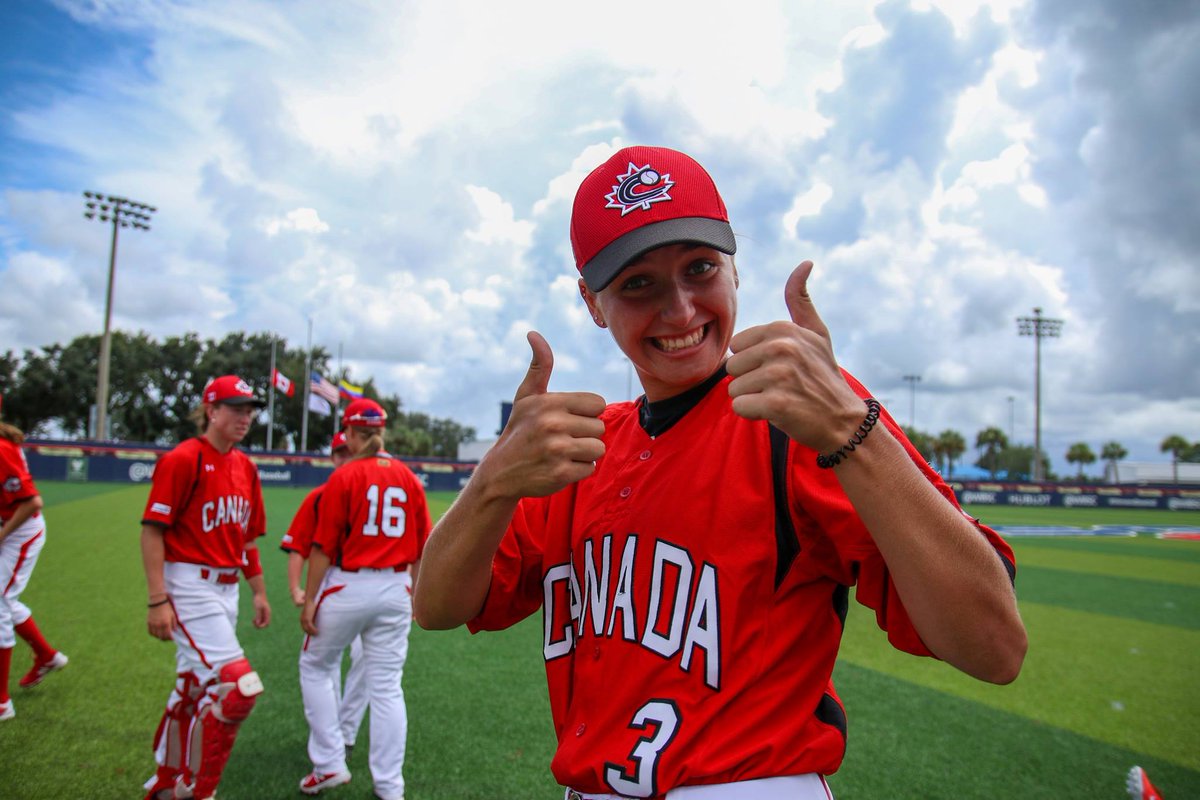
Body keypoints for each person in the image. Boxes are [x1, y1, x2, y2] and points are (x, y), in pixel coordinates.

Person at [413, 145, 1028, 799]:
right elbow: (436, 607)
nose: (680, 310)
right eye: (638, 283)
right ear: (592, 302)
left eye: (700, 268)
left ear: (735, 268)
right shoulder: (581, 449)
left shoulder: (802, 416)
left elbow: (992, 646)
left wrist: (854, 432)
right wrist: (492, 482)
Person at [140, 375, 272, 800]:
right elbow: (153, 531)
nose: (245, 417)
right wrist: (158, 599)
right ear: (211, 411)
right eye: (236, 409)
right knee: (238, 688)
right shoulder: (184, 459)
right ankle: (198, 789)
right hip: (189, 584)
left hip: (227, 588)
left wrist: (258, 591)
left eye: (249, 410)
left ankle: (166, 779)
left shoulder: (246, 466)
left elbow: (247, 540)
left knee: (193, 686)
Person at [298, 398, 431, 799]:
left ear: (350, 434)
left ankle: (329, 762)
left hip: (348, 585)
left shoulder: (346, 475)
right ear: (382, 432)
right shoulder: (408, 477)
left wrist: (310, 599)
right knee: (387, 687)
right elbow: (423, 548)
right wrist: (415, 595)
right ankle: (390, 787)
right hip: (396, 587)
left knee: (315, 666)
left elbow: (323, 547)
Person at [280, 430, 369, 759]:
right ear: (332, 458)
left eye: (350, 452)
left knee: (366, 660)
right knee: (323, 663)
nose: (346, 458)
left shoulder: (374, 491)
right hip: (330, 580)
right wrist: (296, 588)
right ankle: (330, 734)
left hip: (371, 583)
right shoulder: (319, 496)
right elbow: (298, 547)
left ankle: (345, 731)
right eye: (340, 453)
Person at [0, 413, 68, 722]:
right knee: (5, 599)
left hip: (21, 530)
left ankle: (2, 703)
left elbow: (32, 503)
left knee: (0, 601)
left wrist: (2, 536)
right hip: (8, 525)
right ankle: (46, 655)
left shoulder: (2, 449)